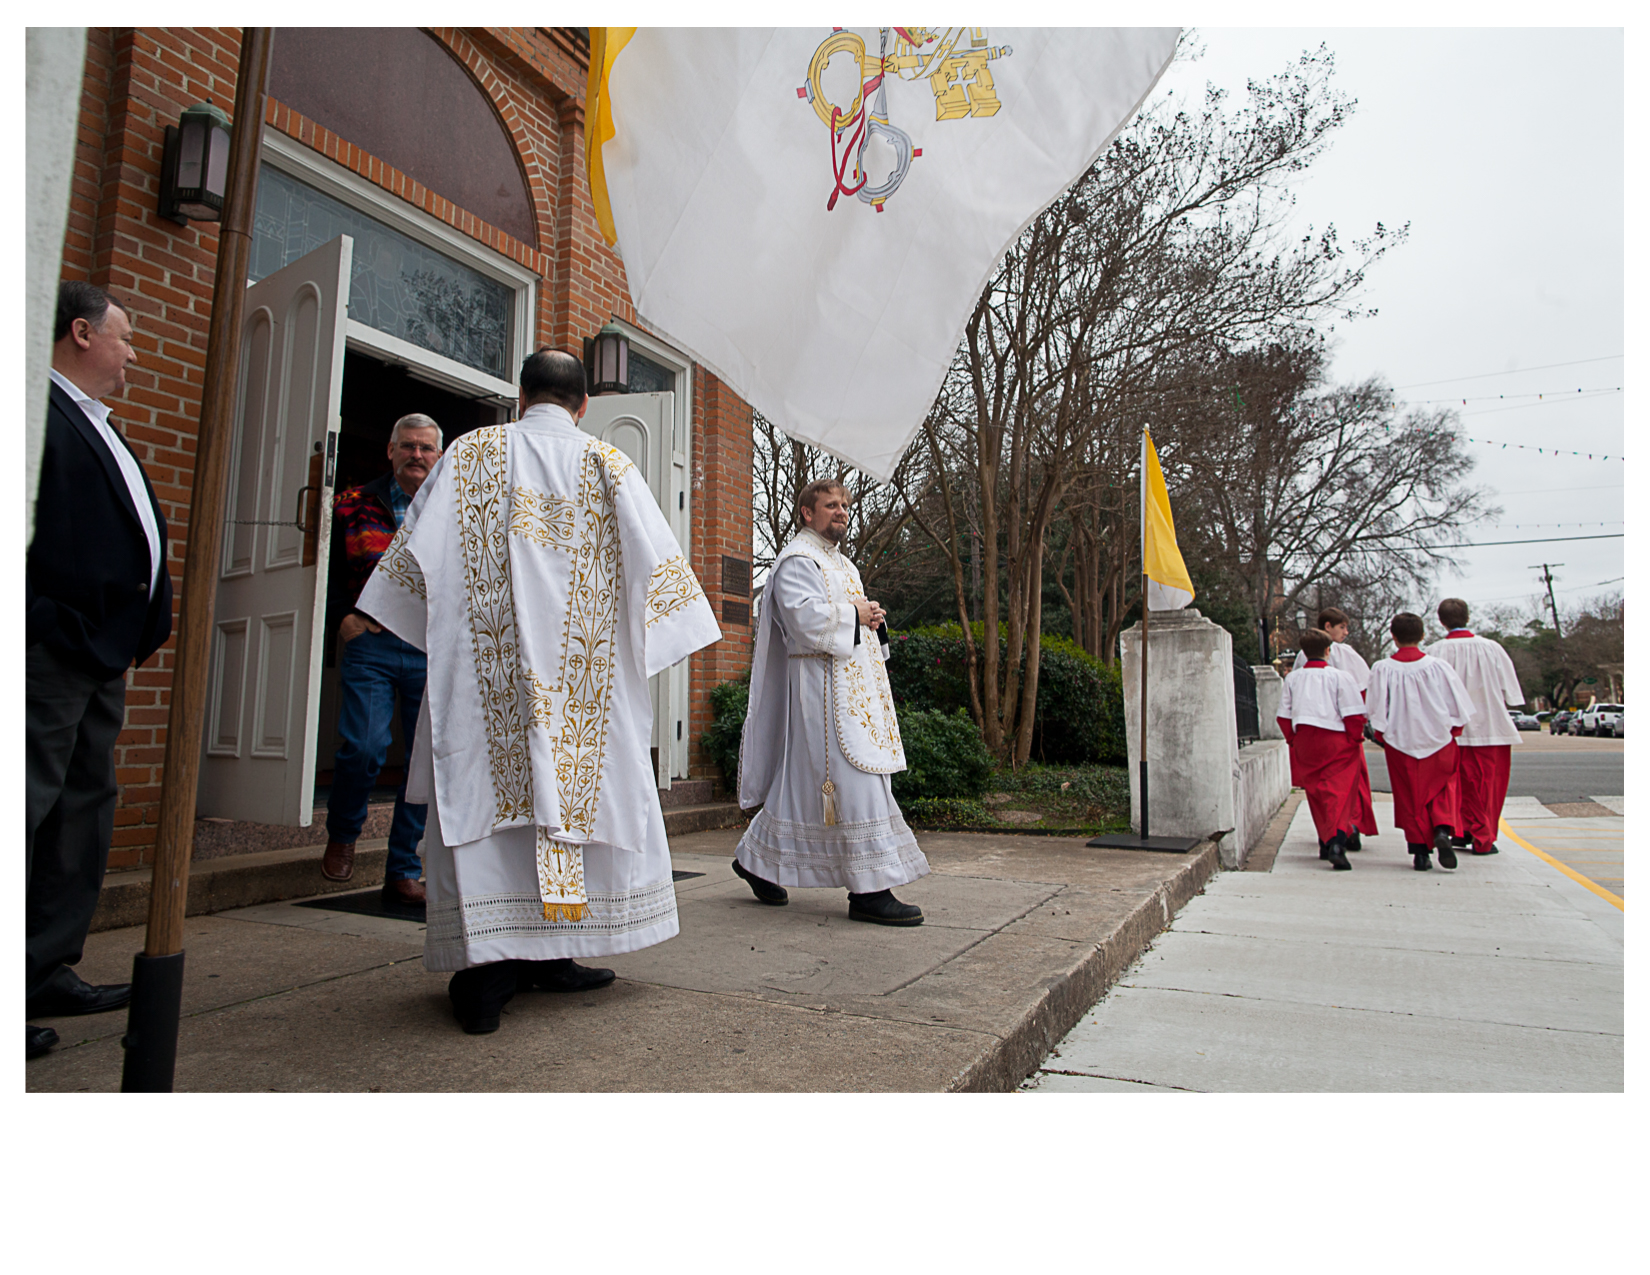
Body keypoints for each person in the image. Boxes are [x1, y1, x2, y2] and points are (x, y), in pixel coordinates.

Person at [356, 350, 721, 1033]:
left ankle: (518, 962)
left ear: (522, 396)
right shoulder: (611, 465)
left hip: (487, 678)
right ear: (583, 405)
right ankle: (507, 963)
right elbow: (663, 584)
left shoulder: (468, 456)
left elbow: (410, 575)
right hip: (588, 685)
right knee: (574, 805)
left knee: (490, 804)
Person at [26, 282, 174, 1061]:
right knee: (28, 803)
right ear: (81, 332)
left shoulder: (95, 422)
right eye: (123, 337)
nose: (133, 352)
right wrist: (48, 626)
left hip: (101, 658)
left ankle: (44, 964)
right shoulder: (31, 412)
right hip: (53, 652)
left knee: (81, 812)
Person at [732, 480, 930, 924]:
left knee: (802, 786)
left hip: (853, 691)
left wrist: (871, 618)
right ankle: (869, 891)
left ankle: (753, 859)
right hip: (821, 694)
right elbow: (803, 621)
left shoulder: (842, 564)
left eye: (844, 505)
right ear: (807, 512)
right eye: (831, 505)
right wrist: (853, 615)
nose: (842, 511)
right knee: (854, 780)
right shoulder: (797, 561)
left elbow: (850, 618)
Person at [321, 414, 445, 905]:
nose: (417, 455)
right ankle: (344, 832)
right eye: (409, 447)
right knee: (364, 747)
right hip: (371, 645)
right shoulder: (351, 505)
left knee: (421, 764)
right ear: (390, 451)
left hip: (428, 648)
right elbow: (322, 569)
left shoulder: (453, 511)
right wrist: (340, 619)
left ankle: (403, 869)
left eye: (427, 449)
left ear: (439, 458)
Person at [1366, 612, 1476, 872]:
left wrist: (1381, 733)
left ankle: (1420, 853)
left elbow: (1376, 708)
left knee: (1409, 796)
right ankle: (1441, 828)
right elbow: (1456, 702)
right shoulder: (1438, 667)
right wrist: (1454, 729)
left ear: (1393, 637)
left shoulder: (1382, 668)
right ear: (1423, 635)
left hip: (1401, 741)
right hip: (1438, 738)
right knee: (1442, 787)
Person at [1424, 598, 1526, 856]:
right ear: (1468, 618)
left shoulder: (1435, 652)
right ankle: (1484, 836)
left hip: (1450, 729)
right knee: (1488, 787)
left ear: (1441, 620)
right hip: (1490, 725)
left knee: (1452, 784)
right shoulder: (1492, 648)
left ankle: (1459, 829)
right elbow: (1511, 690)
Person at [1277, 628, 1375, 871]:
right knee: (1340, 792)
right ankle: (1337, 841)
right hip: (1336, 739)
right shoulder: (1341, 677)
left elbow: (1283, 716)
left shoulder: (1293, 678)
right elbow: (1353, 713)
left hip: (1305, 739)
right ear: (1328, 651)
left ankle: (1325, 838)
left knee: (1316, 791)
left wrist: (1292, 740)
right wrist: (1355, 739)